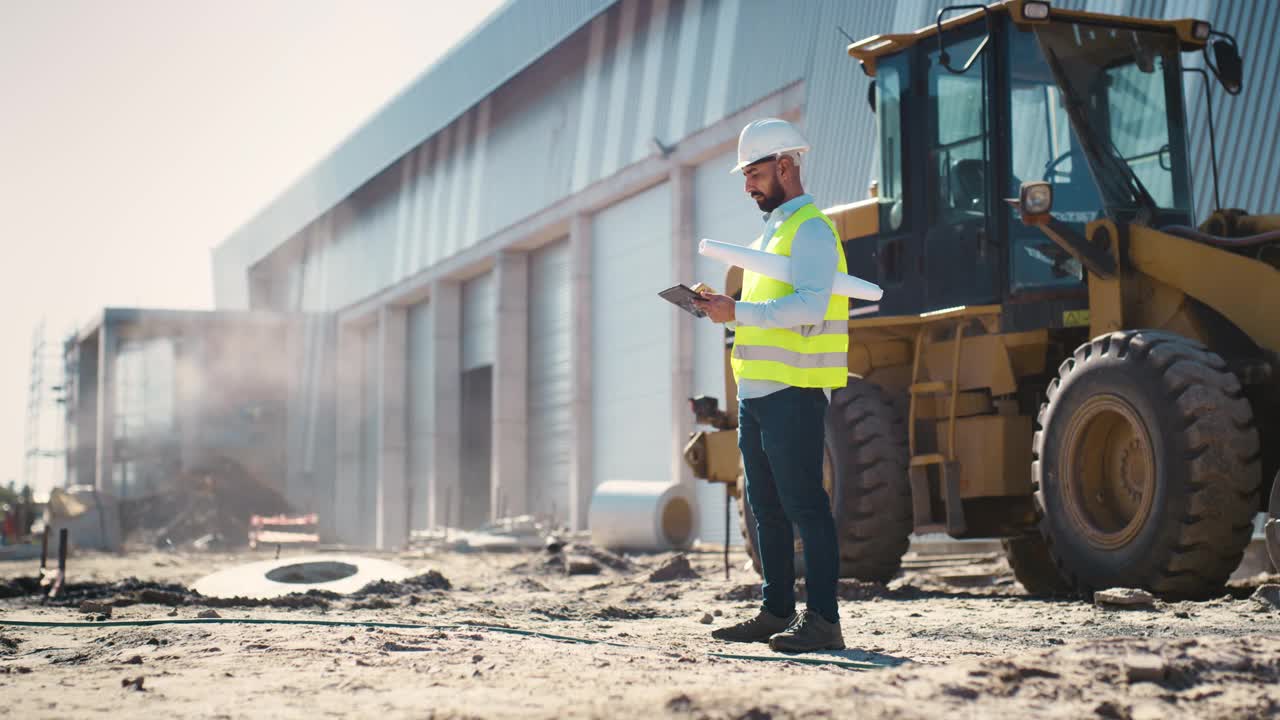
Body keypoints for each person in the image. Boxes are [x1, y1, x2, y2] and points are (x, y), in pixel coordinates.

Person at [692, 118, 849, 653]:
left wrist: (737, 309)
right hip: (759, 395)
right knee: (766, 508)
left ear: (786, 166)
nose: (747, 186)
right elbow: (763, 316)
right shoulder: (771, 236)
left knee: (806, 505)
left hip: (794, 392)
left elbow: (808, 308)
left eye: (755, 174)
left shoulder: (809, 229)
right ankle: (776, 609)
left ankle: (824, 620)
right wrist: (723, 311)